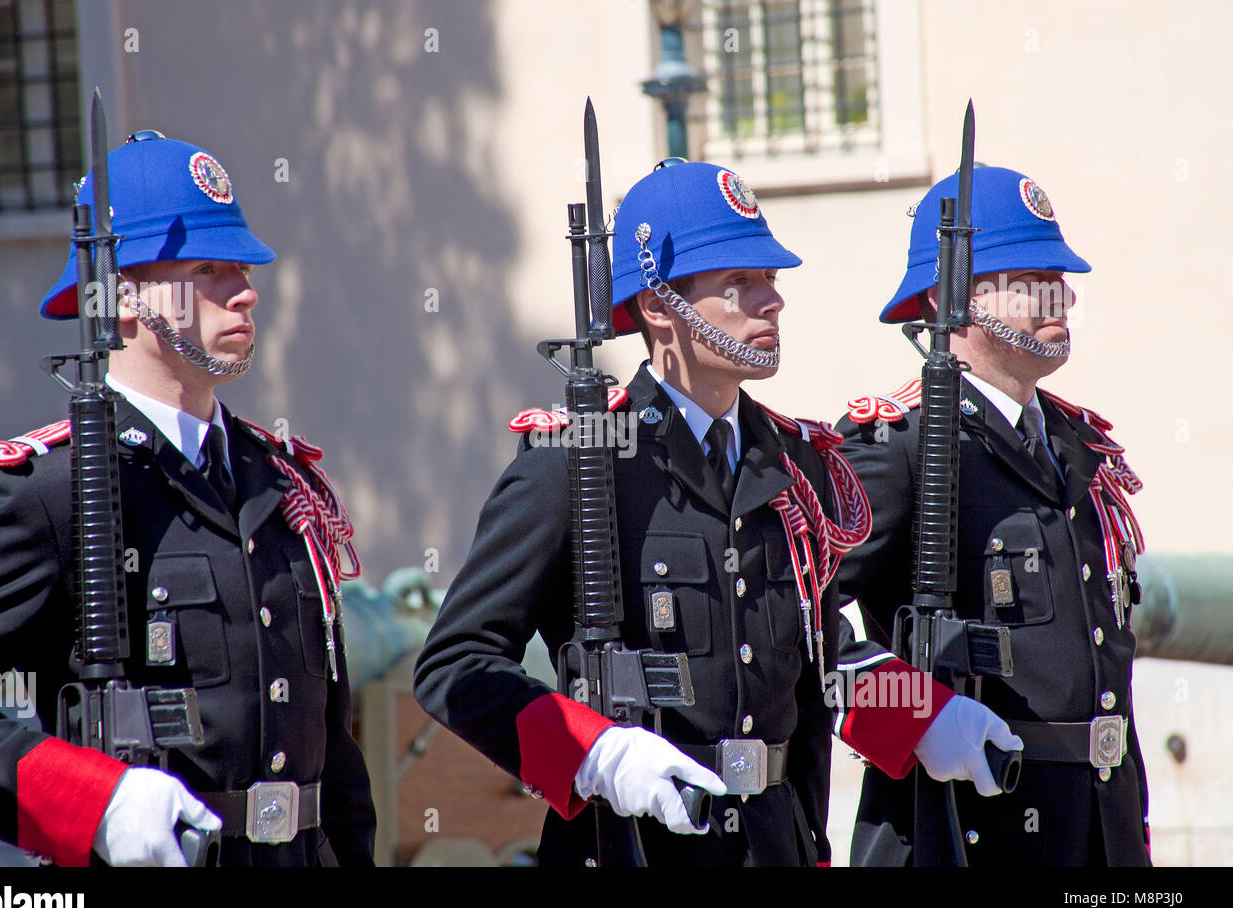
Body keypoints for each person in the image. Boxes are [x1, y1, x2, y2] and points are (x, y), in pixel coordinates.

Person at [414, 160, 1003, 866]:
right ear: (661, 306)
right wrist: (595, 752)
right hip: (639, 844)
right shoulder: (579, 459)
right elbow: (456, 663)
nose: (771, 301)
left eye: (772, 281)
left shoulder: (793, 461)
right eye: (739, 283)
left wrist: (918, 714)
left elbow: (815, 661)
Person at [0, 132, 375, 866]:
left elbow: (334, 743)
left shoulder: (276, 481)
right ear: (125, 296)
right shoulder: (50, 489)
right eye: (209, 269)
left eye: (241, 268)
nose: (246, 290)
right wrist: (92, 803)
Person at [835, 166, 1150, 865]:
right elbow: (791, 622)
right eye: (1029, 277)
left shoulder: (1077, 445)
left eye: (1058, 276)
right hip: (971, 824)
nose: (1059, 295)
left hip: (1100, 824)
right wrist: (912, 717)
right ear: (955, 298)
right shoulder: (898, 447)